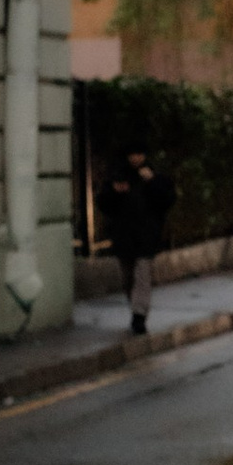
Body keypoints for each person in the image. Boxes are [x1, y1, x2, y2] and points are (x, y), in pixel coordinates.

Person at [97, 144, 175, 337]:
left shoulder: (154, 175)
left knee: (142, 275)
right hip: (124, 235)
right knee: (127, 277)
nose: (135, 159)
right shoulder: (118, 176)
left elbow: (167, 200)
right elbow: (103, 203)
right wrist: (115, 192)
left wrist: (152, 181)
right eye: (132, 154)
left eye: (139, 154)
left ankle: (139, 315)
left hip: (146, 235)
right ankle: (135, 309)